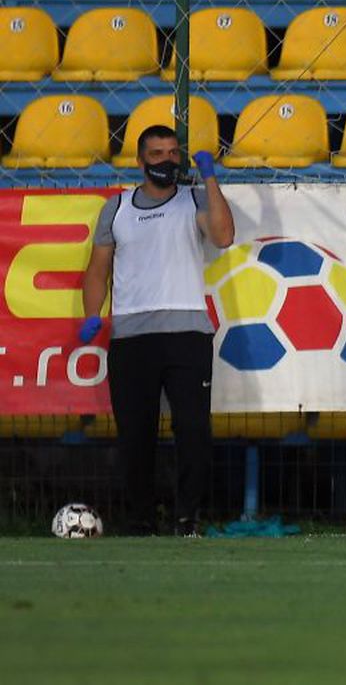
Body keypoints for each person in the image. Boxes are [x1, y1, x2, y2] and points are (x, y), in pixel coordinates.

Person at [80, 126, 235, 536]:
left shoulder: (195, 199)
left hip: (187, 334)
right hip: (132, 338)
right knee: (135, 433)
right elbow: (98, 269)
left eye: (172, 152)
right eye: (156, 153)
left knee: (193, 428)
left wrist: (211, 177)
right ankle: (141, 518)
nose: (166, 160)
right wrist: (91, 314)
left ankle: (188, 517)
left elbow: (223, 235)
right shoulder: (116, 209)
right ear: (140, 160)